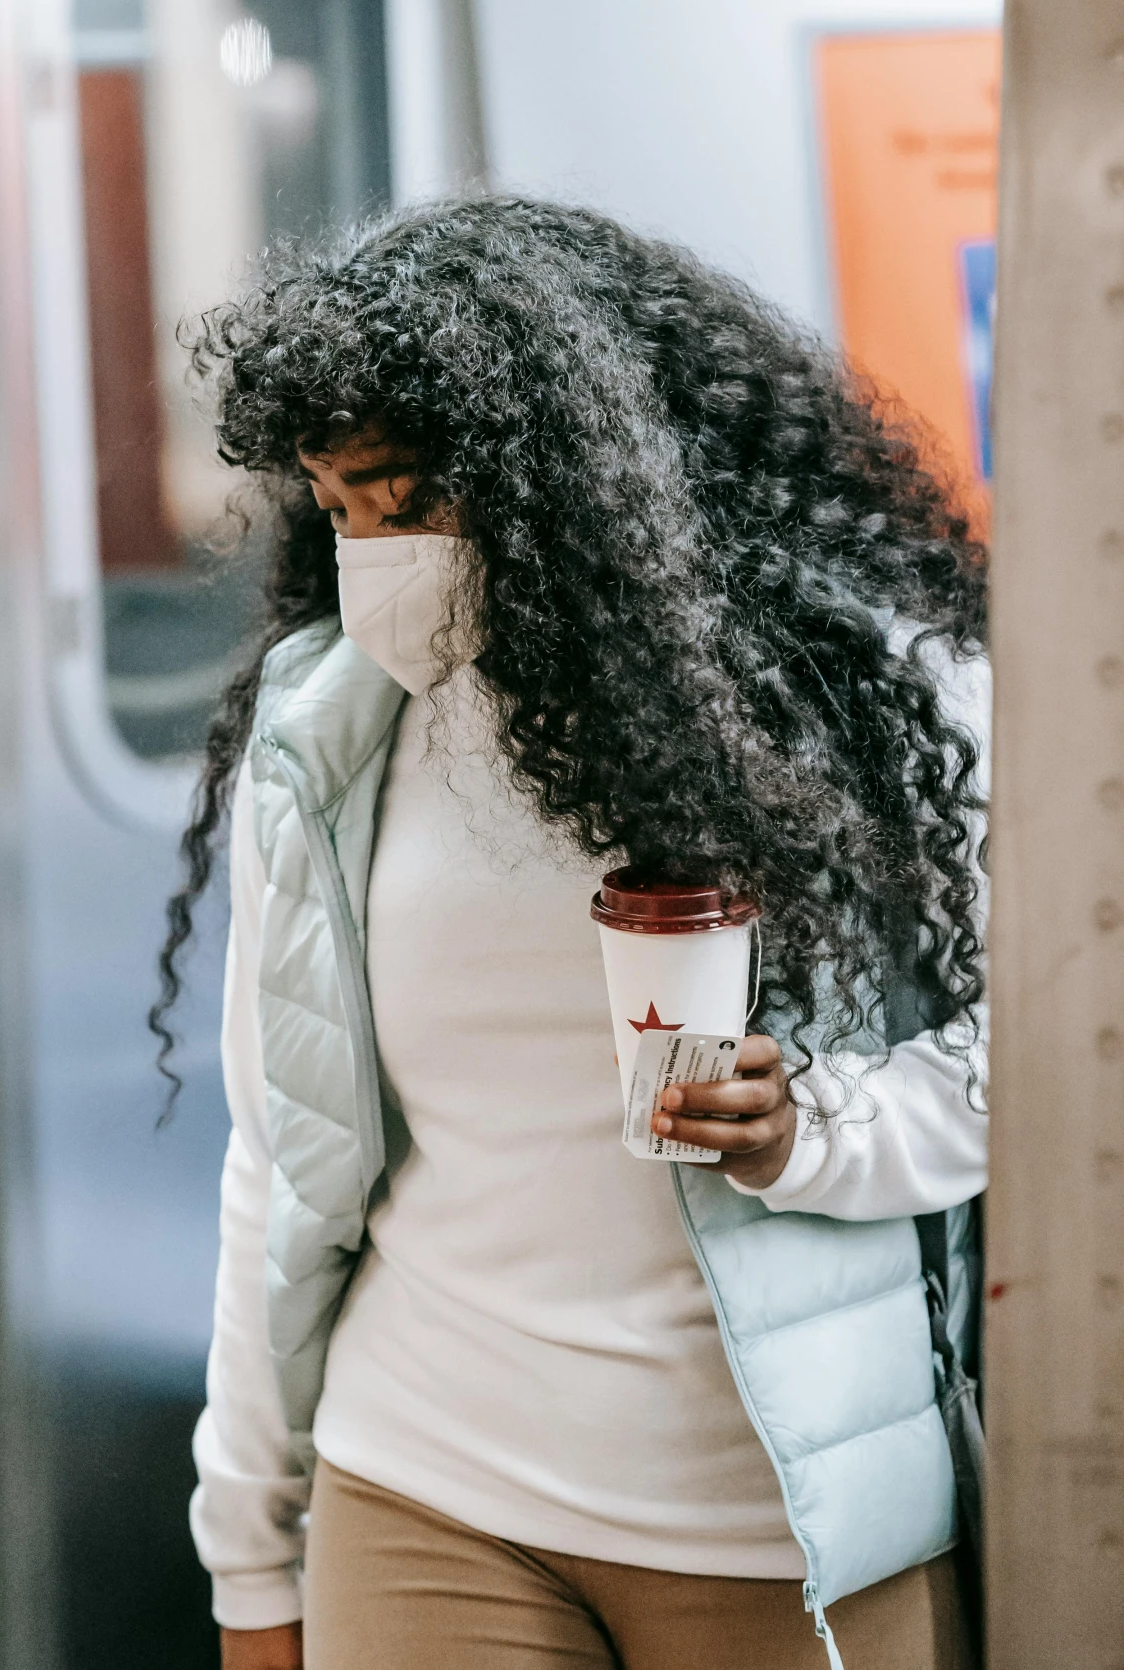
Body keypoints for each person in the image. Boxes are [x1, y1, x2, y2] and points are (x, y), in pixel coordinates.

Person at [153, 199, 988, 1670]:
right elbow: (278, 1161)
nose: (373, 558)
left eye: (406, 499)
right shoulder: (329, 741)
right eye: (337, 508)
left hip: (780, 1523)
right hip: (423, 1483)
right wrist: (249, 1555)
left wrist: (813, 1129)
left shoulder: (857, 703)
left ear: (559, 482)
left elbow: (1049, 1057)